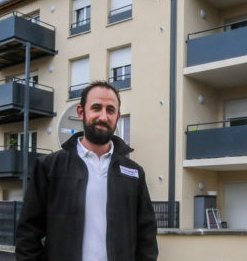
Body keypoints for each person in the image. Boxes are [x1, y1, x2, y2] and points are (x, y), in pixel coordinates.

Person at [16, 80, 158, 261]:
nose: (103, 116)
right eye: (96, 108)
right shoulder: (50, 167)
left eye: (110, 110)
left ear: (118, 116)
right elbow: (28, 234)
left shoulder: (134, 173)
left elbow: (147, 236)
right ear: (81, 112)